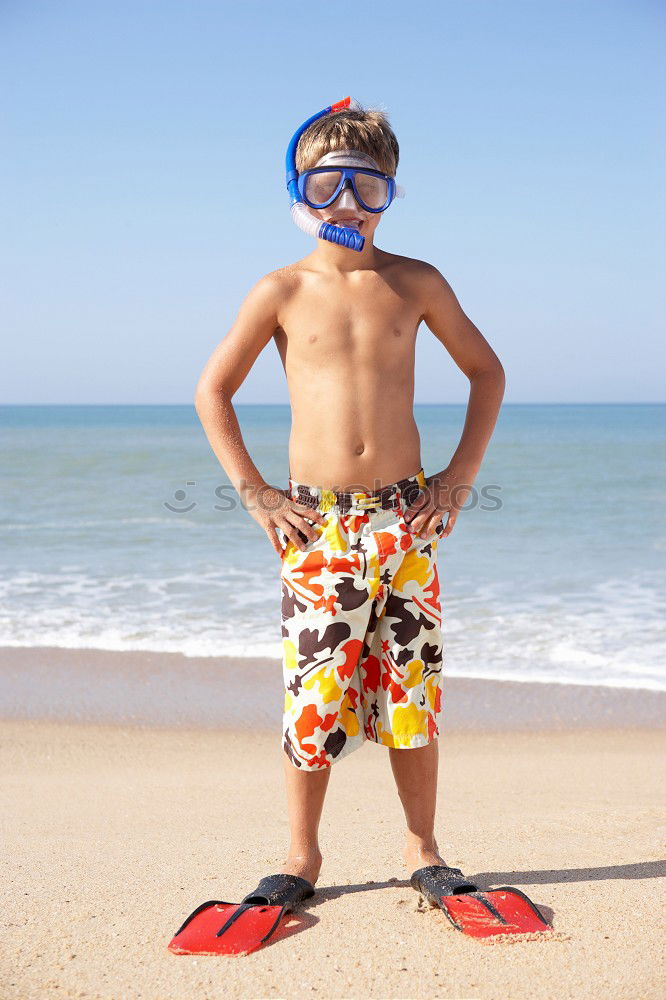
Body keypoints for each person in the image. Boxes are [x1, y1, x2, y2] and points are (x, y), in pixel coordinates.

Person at [194, 98, 505, 898]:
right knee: (315, 697)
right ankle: (303, 855)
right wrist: (258, 495)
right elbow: (212, 392)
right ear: (300, 192)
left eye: (371, 190)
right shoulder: (282, 290)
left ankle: (423, 848)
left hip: (407, 520)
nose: (350, 207)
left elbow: (486, 371)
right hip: (319, 530)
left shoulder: (416, 282)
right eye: (332, 185)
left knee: (413, 691)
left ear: (392, 193)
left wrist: (459, 475)